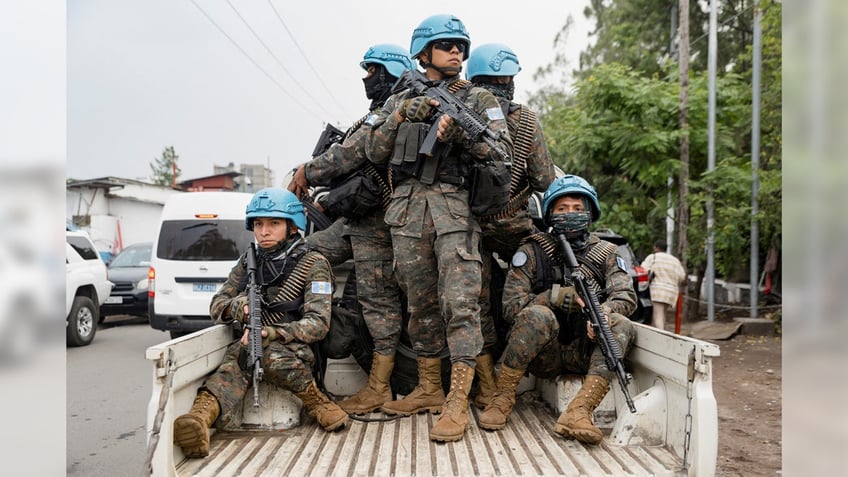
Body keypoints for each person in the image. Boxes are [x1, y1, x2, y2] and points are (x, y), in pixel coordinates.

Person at [364, 13, 513, 442]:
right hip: (408, 215)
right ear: (424, 52)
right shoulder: (400, 97)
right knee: (419, 303)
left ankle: (457, 399)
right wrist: (402, 115)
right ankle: (429, 388)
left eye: (461, 46)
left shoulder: (479, 99)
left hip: (453, 213)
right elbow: (373, 150)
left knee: (461, 304)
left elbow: (500, 151)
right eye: (447, 45)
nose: (456, 52)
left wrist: (459, 135)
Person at [172, 188, 348, 458]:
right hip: (247, 346)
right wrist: (238, 308)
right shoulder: (248, 261)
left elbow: (318, 324)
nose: (264, 231)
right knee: (236, 361)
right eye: (258, 224)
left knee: (264, 351)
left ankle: (318, 402)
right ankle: (199, 421)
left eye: (273, 223)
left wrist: (273, 333)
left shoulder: (313, 264)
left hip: (294, 350)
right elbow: (217, 305)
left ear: (292, 227)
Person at [287, 44, 414, 415]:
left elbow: (354, 153)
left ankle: (379, 389)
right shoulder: (384, 108)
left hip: (379, 221)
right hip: (359, 218)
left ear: (390, 72)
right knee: (302, 254)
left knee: (377, 302)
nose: (366, 78)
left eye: (372, 70)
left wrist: (307, 172)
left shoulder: (399, 105)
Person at [478, 175, 637, 445]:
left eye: (577, 208)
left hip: (584, 352)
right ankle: (501, 397)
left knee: (620, 324)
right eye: (562, 209)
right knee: (537, 315)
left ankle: (579, 411)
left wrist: (604, 311)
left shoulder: (607, 253)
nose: (570, 214)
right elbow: (510, 307)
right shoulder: (533, 250)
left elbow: (626, 295)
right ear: (550, 213)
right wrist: (551, 297)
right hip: (543, 356)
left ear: (590, 213)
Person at [465, 43, 557, 408]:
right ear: (509, 80)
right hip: (514, 225)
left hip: (467, 228)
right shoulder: (526, 120)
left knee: (476, 303)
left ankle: (487, 383)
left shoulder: (462, 115)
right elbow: (544, 178)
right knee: (536, 281)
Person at [640, 239, 686, 330]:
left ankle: (660, 338)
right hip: (671, 292)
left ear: (656, 248)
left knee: (658, 316)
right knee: (662, 315)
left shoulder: (653, 257)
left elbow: (642, 270)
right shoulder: (674, 260)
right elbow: (682, 276)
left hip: (658, 291)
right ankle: (662, 334)